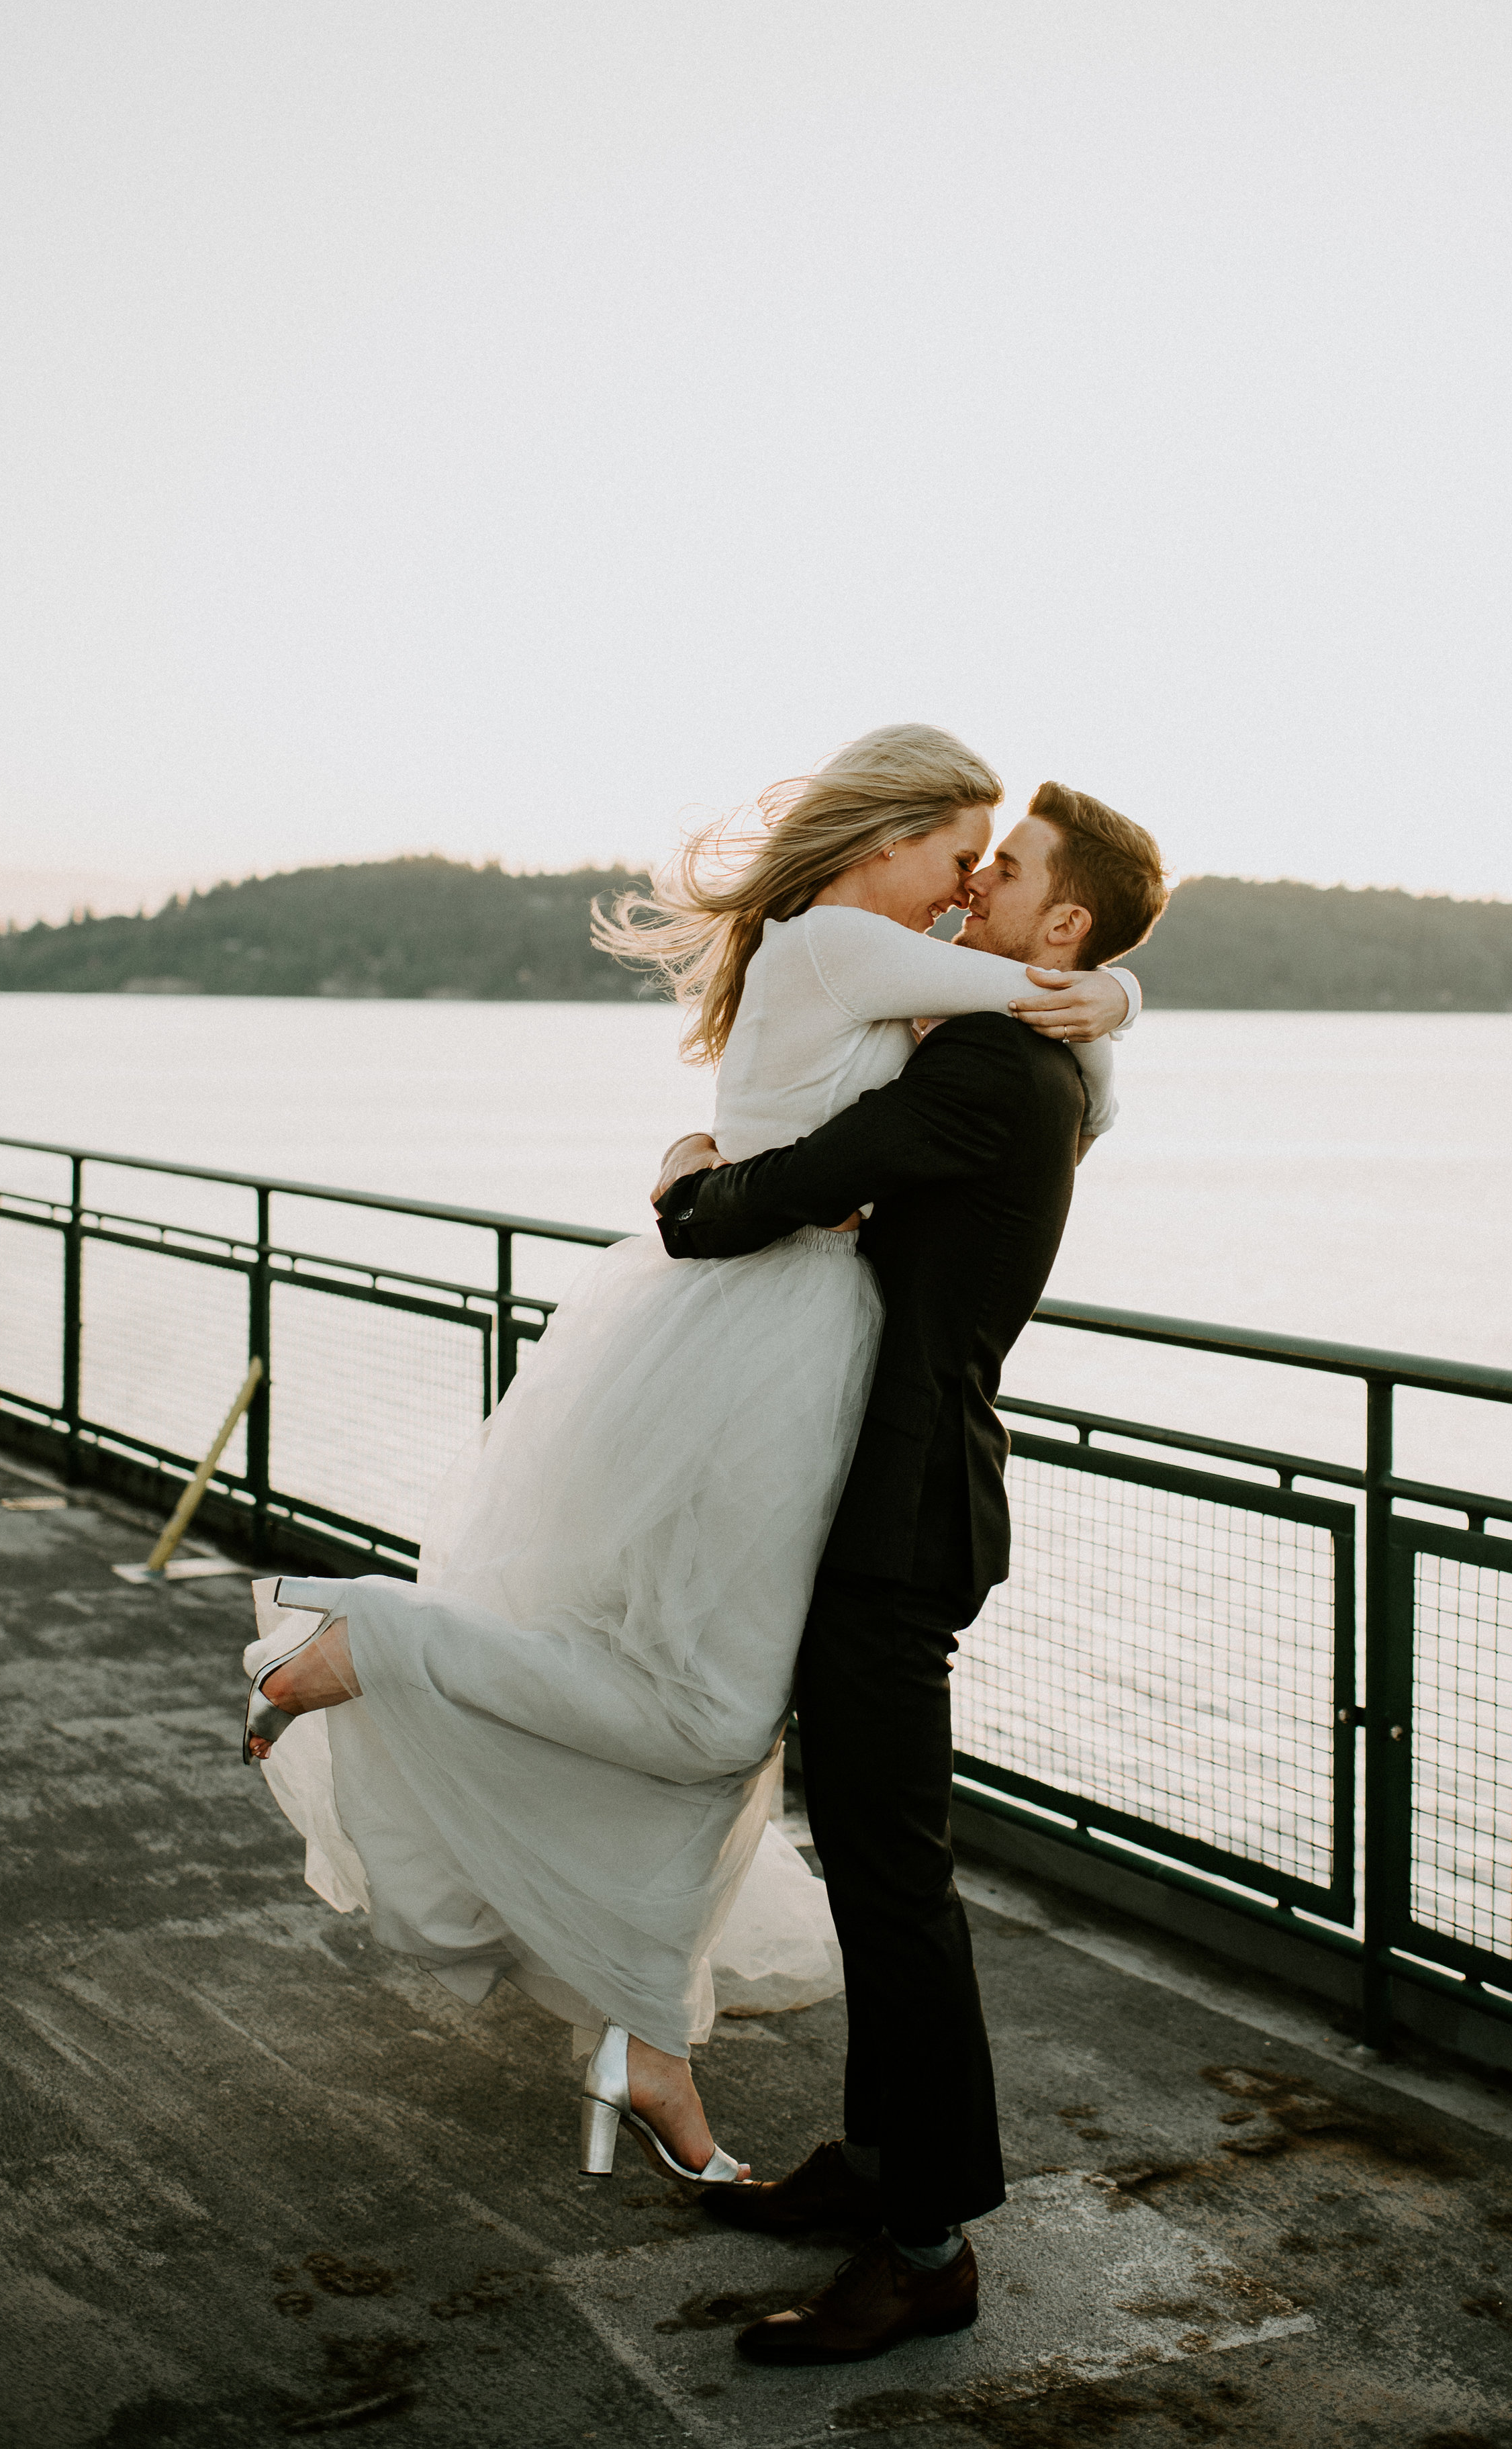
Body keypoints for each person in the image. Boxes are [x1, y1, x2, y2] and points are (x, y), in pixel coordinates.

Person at [237, 725, 1143, 2196]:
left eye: (994, 861)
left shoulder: (872, 958)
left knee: (711, 1709)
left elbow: (1042, 1055)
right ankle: (375, 1637)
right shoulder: (852, 939)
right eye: (954, 848)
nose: (965, 878)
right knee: (715, 1716)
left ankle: (644, 2033)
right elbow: (1060, 1011)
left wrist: (1092, 991)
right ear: (879, 839)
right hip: (760, 1357)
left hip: (780, 1353)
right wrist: (1107, 983)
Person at [654, 776, 1168, 2365]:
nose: (976, 887)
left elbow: (770, 1195)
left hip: (900, 1515)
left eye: (1002, 871)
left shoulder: (1003, 1070)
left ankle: (928, 2244)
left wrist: (683, 1182)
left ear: (1059, 924)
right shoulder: (1030, 1049)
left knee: (896, 1883)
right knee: (878, 1860)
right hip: (880, 1494)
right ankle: (879, 2164)